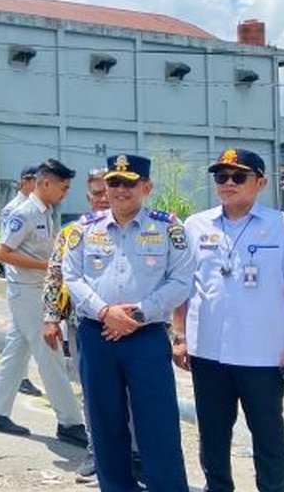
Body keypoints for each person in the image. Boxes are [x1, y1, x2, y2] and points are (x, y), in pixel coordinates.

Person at [174, 148, 284, 492]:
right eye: (221, 177)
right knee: (212, 436)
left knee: (268, 436)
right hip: (208, 352)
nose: (228, 183)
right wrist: (179, 335)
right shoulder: (196, 226)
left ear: (261, 183)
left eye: (238, 176)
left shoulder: (282, 226)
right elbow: (183, 286)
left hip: (262, 355)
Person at [62, 153, 194, 492]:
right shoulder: (84, 228)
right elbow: (71, 276)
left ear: (146, 187)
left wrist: (137, 314)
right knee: (105, 420)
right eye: (114, 182)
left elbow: (181, 281)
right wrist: (106, 312)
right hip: (97, 334)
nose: (120, 190)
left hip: (146, 337)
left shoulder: (168, 228)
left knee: (157, 421)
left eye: (129, 183)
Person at [0, 159, 87, 445]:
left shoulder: (45, 212)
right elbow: (3, 253)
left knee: (16, 352)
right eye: (63, 187)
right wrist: (48, 266)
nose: (65, 193)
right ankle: (70, 422)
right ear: (45, 183)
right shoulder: (24, 212)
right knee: (50, 354)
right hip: (27, 292)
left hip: (35, 290)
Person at [42, 167, 110, 482]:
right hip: (83, 325)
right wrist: (50, 317)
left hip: (129, 327)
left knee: (130, 395)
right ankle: (97, 454)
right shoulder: (74, 232)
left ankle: (135, 455)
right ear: (88, 196)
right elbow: (55, 275)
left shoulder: (139, 230)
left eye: (108, 191)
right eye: (96, 193)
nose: (103, 198)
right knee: (92, 393)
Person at [2, 164, 44, 398]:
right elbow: (6, 249)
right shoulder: (15, 210)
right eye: (36, 181)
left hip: (33, 281)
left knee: (18, 336)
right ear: (26, 182)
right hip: (20, 281)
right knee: (31, 335)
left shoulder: (39, 209)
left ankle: (14, 381)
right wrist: (45, 266)